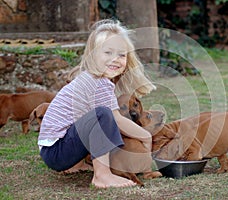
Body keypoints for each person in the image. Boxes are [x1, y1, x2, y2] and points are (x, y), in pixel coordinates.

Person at [38, 19, 156, 188]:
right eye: (108, 52)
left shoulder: (92, 78)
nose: (115, 59)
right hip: (56, 152)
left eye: (121, 54)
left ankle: (76, 165)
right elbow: (117, 120)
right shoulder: (98, 82)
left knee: (96, 116)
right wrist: (146, 136)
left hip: (53, 150)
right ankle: (102, 176)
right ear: (93, 55)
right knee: (103, 114)